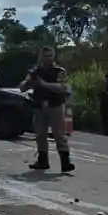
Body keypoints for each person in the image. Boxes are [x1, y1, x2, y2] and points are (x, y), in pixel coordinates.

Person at [21, 46, 73, 174]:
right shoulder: (35, 71)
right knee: (40, 135)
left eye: (50, 55)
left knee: (59, 135)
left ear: (53, 56)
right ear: (41, 57)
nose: (47, 58)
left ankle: (65, 163)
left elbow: (63, 88)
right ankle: (42, 161)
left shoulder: (58, 71)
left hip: (55, 105)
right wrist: (29, 82)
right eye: (45, 56)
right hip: (39, 106)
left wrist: (43, 84)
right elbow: (22, 87)